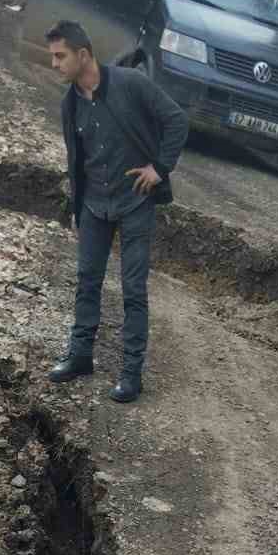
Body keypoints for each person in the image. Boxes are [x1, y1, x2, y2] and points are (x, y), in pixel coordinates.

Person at [46, 20, 189, 403]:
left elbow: (176, 120)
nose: (55, 64)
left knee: (133, 289)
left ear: (83, 54)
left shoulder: (131, 84)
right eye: (52, 57)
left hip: (134, 202)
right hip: (94, 203)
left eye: (60, 56)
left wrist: (159, 168)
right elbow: (77, 159)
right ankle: (80, 357)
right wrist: (78, 205)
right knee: (87, 280)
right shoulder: (69, 104)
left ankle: (131, 373)